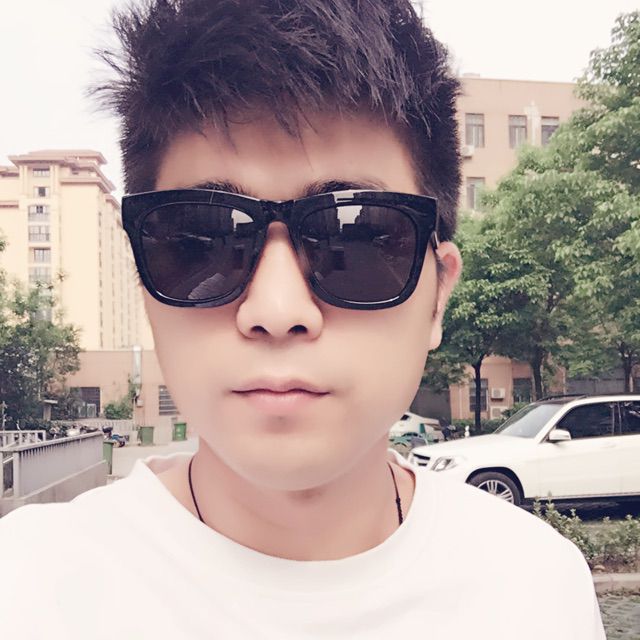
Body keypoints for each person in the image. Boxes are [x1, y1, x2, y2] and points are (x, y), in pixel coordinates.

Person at [0, 1, 605, 638]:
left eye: (358, 238)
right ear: (147, 287)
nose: (277, 311)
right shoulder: (30, 589)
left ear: (438, 296)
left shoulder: (536, 587)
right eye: (202, 243)